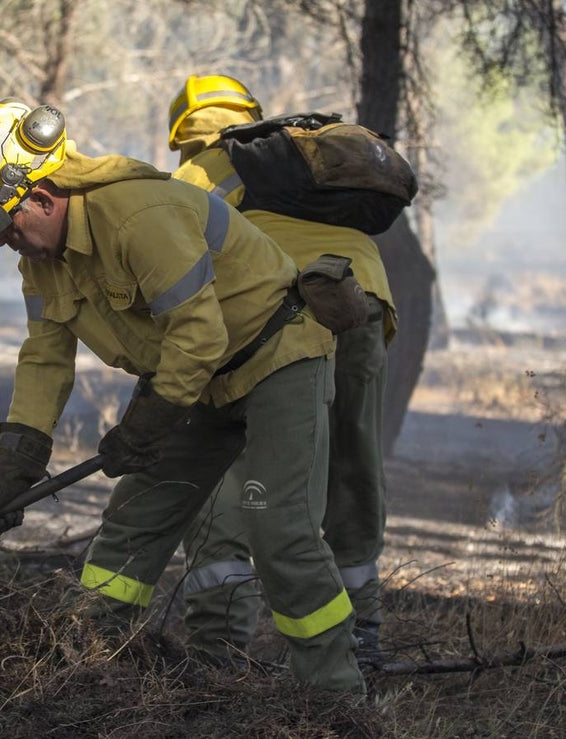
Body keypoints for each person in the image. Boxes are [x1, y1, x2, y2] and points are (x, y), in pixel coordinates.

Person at [0, 99, 365, 693]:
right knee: (132, 524)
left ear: (38, 196)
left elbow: (200, 333)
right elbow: (43, 359)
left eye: (4, 228)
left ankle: (336, 697)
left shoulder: (139, 216)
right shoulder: (41, 264)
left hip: (277, 357)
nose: (3, 244)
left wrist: (144, 426)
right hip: (196, 383)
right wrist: (14, 467)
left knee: (279, 528)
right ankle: (87, 672)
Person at [166, 74, 397, 665]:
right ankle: (362, 631)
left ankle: (219, 644)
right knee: (353, 456)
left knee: (224, 463)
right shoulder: (293, 155)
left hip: (276, 312)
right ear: (251, 115)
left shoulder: (200, 170)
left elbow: (171, 268)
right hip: (357, 297)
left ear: (182, 134)